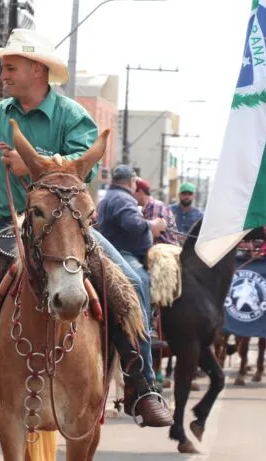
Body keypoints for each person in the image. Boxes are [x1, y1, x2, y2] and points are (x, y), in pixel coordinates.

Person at [0, 29, 171, 451]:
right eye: (3, 67)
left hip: (69, 227)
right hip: (7, 226)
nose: (3, 74)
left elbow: (84, 169)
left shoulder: (73, 116)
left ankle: (141, 384)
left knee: (134, 282)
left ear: (38, 70)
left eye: (10, 67)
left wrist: (32, 162)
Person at [97, 166, 167, 390]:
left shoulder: (112, 196)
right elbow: (133, 225)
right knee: (141, 280)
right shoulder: (122, 198)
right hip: (123, 254)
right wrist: (153, 225)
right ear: (133, 182)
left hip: (118, 251)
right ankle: (144, 325)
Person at [134, 178, 179, 246]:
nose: (130, 197)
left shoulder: (155, 206)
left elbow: (152, 235)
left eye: (131, 193)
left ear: (140, 192)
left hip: (166, 251)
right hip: (160, 250)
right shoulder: (148, 206)